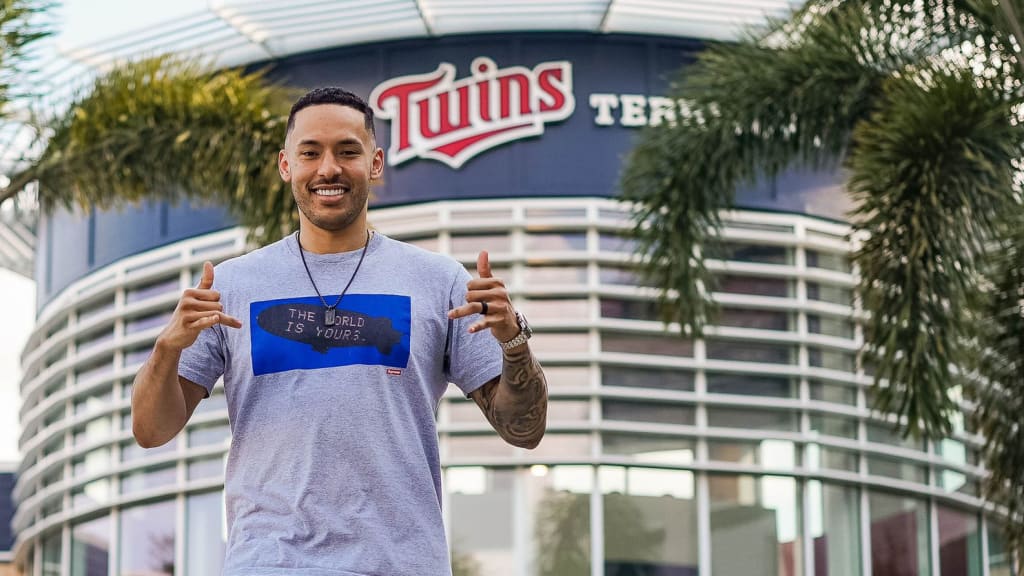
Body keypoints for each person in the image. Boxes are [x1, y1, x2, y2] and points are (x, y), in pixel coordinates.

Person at [130, 86, 549, 576]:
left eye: (348, 151)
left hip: (399, 564)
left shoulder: (439, 281)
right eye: (310, 152)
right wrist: (167, 349)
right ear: (286, 165)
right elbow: (151, 431)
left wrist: (513, 342)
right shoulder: (231, 285)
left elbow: (525, 431)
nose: (328, 168)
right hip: (271, 563)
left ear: (375, 164)